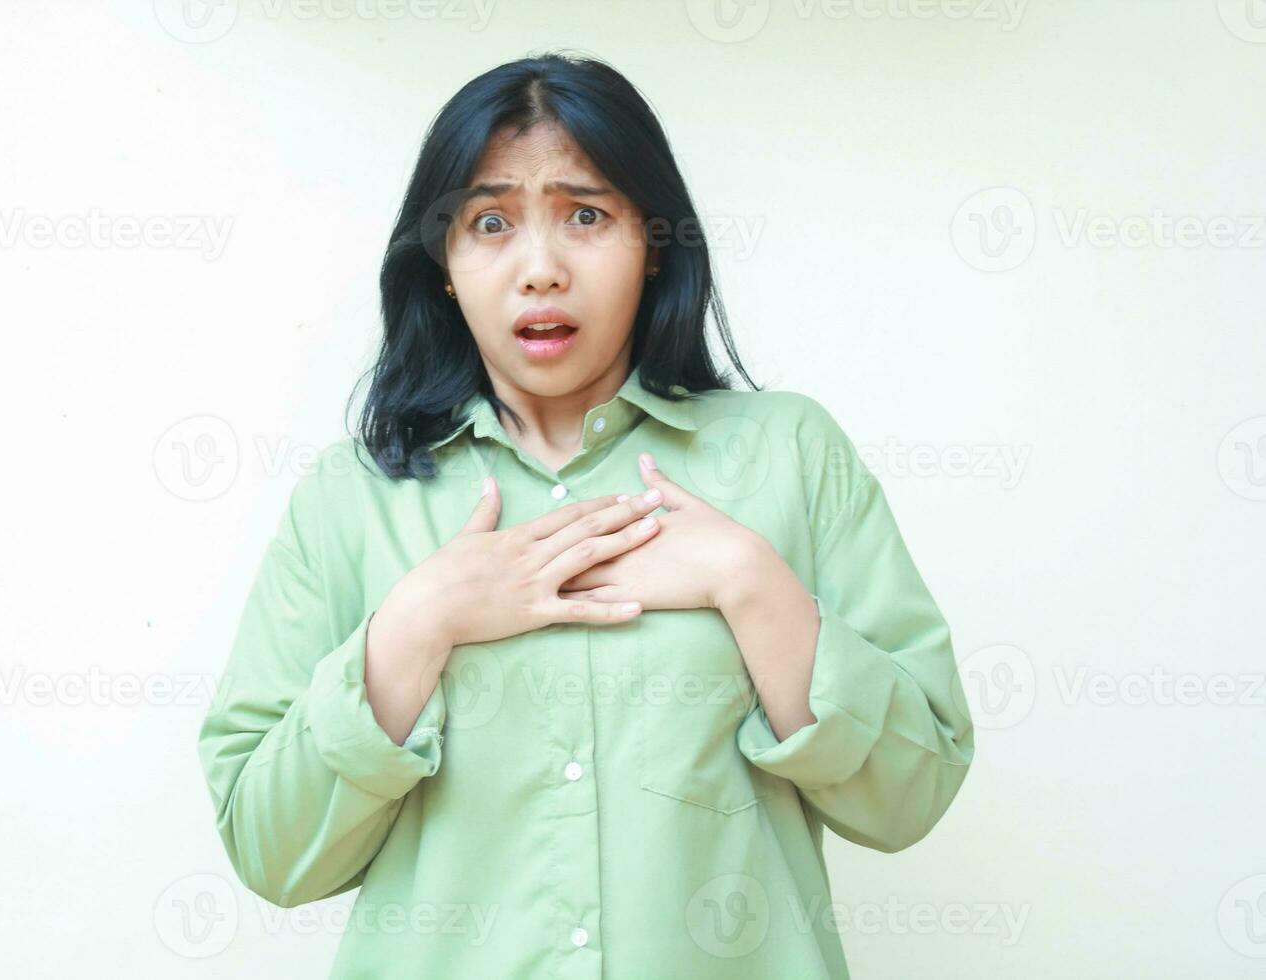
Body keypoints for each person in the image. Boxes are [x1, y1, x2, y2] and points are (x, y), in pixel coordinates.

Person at [197, 50, 974, 980]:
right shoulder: (350, 499)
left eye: (587, 216)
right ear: (443, 263)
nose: (540, 270)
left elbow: (911, 795)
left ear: (653, 244)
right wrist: (414, 625)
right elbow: (269, 853)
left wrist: (751, 585)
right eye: (489, 223)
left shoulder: (790, 455)